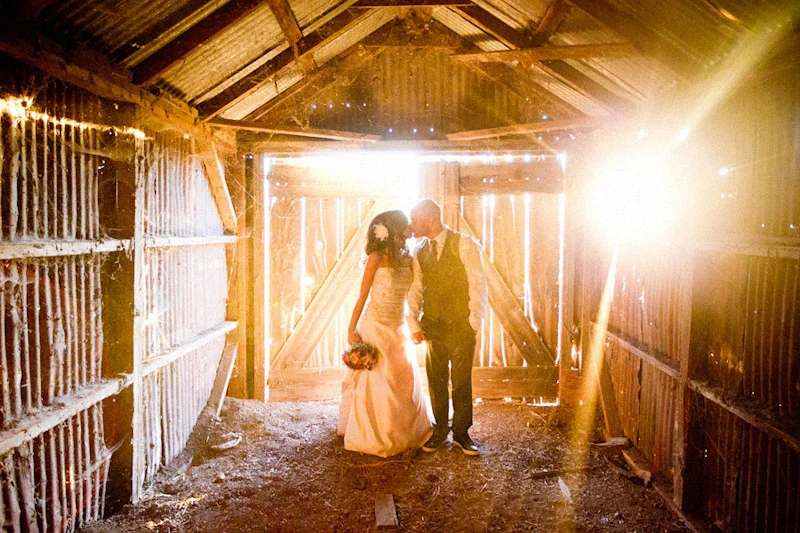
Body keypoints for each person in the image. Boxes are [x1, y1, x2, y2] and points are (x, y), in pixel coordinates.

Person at [338, 210, 433, 457]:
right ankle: (376, 435)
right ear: (394, 230)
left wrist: (414, 323)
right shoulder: (376, 257)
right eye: (405, 226)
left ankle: (405, 432)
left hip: (398, 326)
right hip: (376, 326)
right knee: (381, 380)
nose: (409, 229)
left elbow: (415, 294)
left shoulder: (407, 258)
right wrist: (351, 330)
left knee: (402, 380)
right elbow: (362, 297)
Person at [407, 199, 487, 456]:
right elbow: (415, 288)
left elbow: (478, 284)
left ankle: (462, 433)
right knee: (436, 380)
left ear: (431, 219)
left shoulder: (464, 244)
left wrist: (473, 322)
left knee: (461, 380)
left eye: (415, 220)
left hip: (460, 324)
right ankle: (440, 429)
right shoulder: (419, 251)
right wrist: (413, 322)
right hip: (433, 324)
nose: (412, 225)